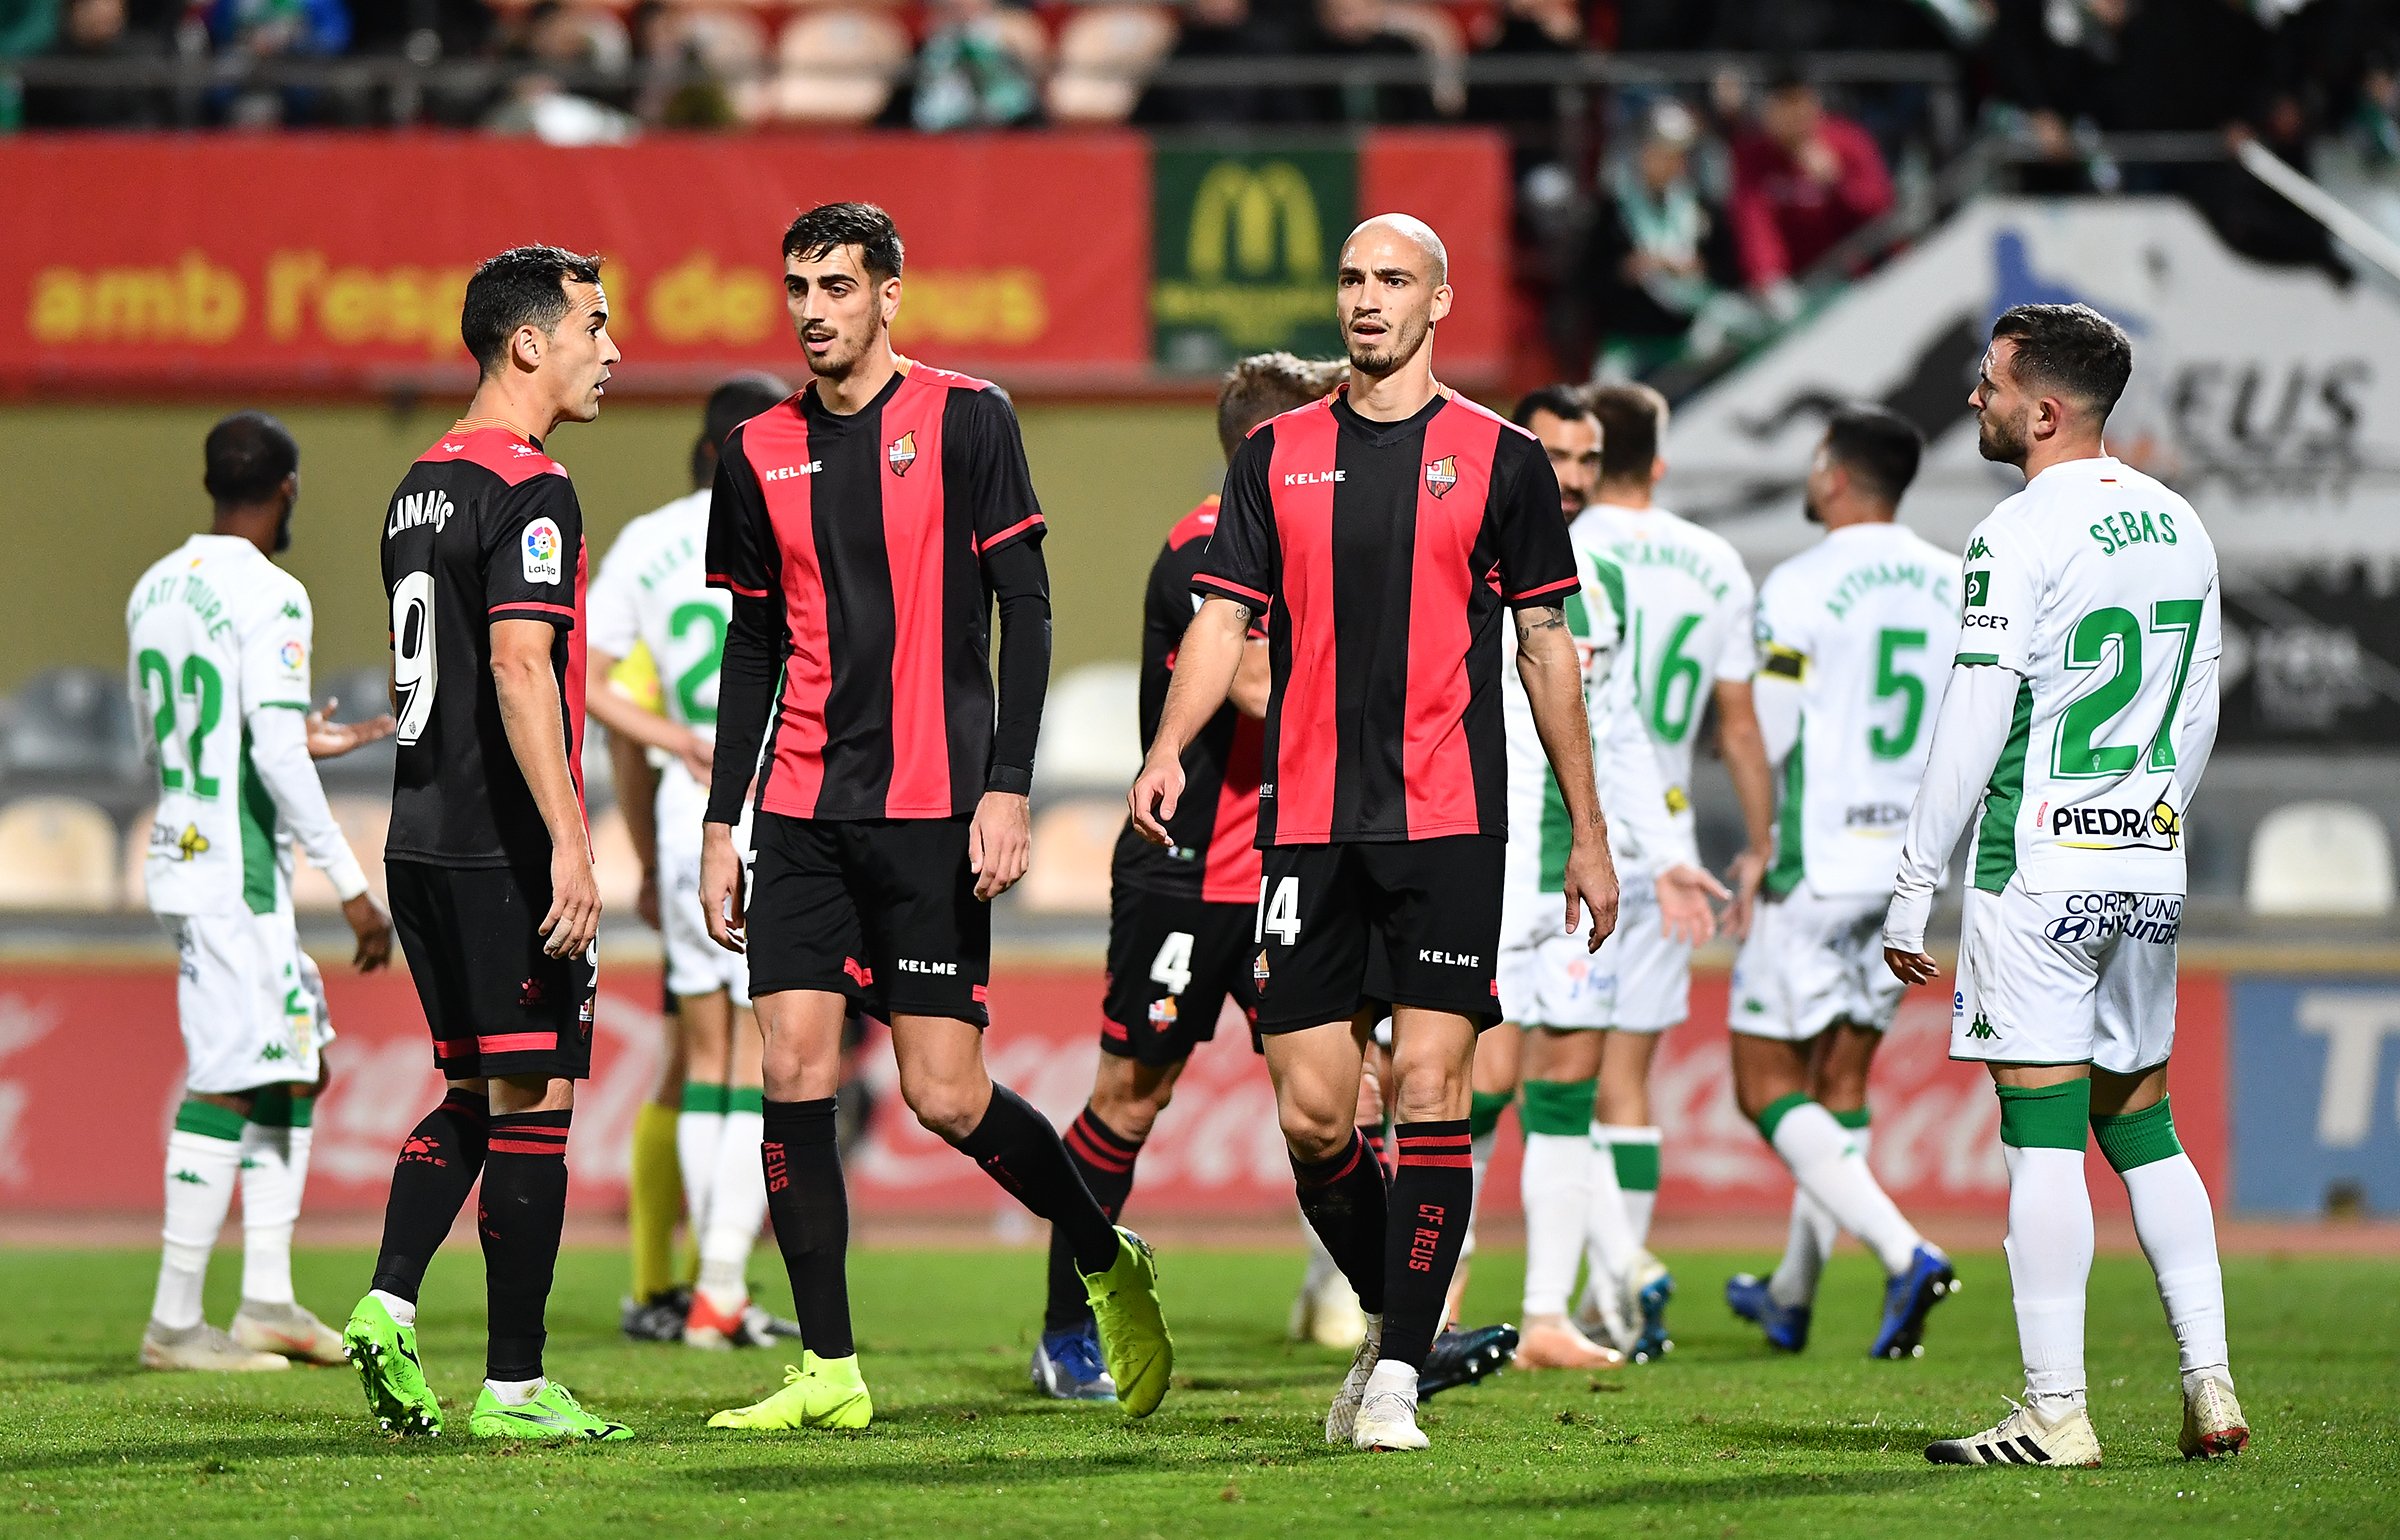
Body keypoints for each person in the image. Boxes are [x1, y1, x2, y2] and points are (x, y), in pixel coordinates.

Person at [1132, 213, 1618, 1453]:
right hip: (1305, 829)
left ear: (1440, 301)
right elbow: (1220, 623)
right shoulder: (1277, 454)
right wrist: (1168, 751)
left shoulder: (1502, 460)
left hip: (1450, 822)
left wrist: (1588, 829)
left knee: (1431, 1086)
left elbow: (1546, 650)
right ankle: (1390, 1311)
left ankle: (1397, 1368)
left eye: (1393, 279)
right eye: (1351, 278)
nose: (1366, 298)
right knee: (1313, 1111)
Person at [699, 202, 1173, 1432]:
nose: (813, 309)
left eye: (839, 286)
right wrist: (721, 818)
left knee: (946, 1095)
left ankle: (1102, 1254)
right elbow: (753, 644)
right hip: (799, 809)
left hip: (928, 811)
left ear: (890, 294)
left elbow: (1031, 604)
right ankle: (830, 1368)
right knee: (792, 1065)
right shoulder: (754, 451)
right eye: (798, 285)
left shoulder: (969, 418)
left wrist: (1006, 784)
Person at [1888, 303, 2246, 1466]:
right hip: (2144, 857)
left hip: (2036, 865)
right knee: (2144, 1123)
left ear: (2044, 410)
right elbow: (2199, 705)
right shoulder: (2182, 521)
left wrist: (1914, 878)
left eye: (1991, 383)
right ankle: (2210, 1382)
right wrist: (2149, 822)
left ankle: (2056, 1410)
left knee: (2041, 1137)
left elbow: (1978, 711)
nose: (1977, 399)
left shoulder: (2016, 531)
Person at [345, 244, 630, 1443]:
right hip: (498, 842)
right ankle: (515, 1385)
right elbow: (516, 664)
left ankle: (384, 1303)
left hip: (418, 837)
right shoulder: (530, 485)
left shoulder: (419, 483)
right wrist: (570, 838)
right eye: (594, 327)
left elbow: (441, 667)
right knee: (539, 1098)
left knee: (475, 1085)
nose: (612, 352)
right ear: (529, 343)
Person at [1029, 352, 1348, 1401]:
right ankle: (1069, 1327)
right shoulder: (1205, 546)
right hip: (1189, 877)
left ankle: (1387, 1320)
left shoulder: (1306, 541)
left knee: (1335, 1094)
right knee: (1130, 1095)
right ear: (1274, 447)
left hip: (1289, 874)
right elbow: (1260, 684)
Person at [126, 412, 395, 1373]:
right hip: (235, 870)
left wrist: (316, 736)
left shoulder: (155, 587)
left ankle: (269, 1301)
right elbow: (271, 753)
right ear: (286, 489)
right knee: (234, 1071)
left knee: (297, 1063)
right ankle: (173, 1322)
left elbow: (169, 729)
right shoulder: (274, 593)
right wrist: (355, 889)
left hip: (184, 846)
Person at [1492, 386, 1723, 1372]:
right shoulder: (1468, 563)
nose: (1577, 478)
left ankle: (1546, 1315)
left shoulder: (1609, 583)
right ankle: (1426, 1296)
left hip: (1575, 874)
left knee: (1566, 1086)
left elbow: (1621, 735)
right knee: (1461, 1086)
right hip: (1479, 867)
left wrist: (1665, 854)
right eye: (1557, 456)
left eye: (1589, 460)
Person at [1722, 405, 1959, 1359]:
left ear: (1831, 473)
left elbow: (1767, 730)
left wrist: (1758, 839)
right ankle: (1792, 1294)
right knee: (1843, 1080)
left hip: (1816, 861)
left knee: (1761, 1081)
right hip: (1908, 869)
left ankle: (1906, 1254)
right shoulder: (1955, 581)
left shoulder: (1801, 583)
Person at [587, 372, 801, 1350]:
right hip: (779, 802)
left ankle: (690, 1287)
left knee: (704, 1058)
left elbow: (582, 680)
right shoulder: (793, 522)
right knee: (768, 1059)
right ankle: (719, 1287)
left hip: (686, 817)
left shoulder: (647, 541)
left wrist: (674, 737)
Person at [1567, 383, 1776, 1361]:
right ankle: (1618, 1290)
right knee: (1628, 1078)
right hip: (1673, 840)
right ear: (1658, 461)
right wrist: (1761, 836)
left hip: (1574, 827)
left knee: (1543, 1070)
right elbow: (1737, 721)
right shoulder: (1718, 561)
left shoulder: (1559, 544)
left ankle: (1606, 1278)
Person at [1727, 71, 1895, 313]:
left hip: (1863, 276)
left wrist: (1837, 182)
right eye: (1782, 107)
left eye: (1798, 104)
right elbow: (1754, 224)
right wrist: (1769, 277)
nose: (1793, 118)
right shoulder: (1753, 157)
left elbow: (1881, 208)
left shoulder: (1847, 140)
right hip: (1802, 288)